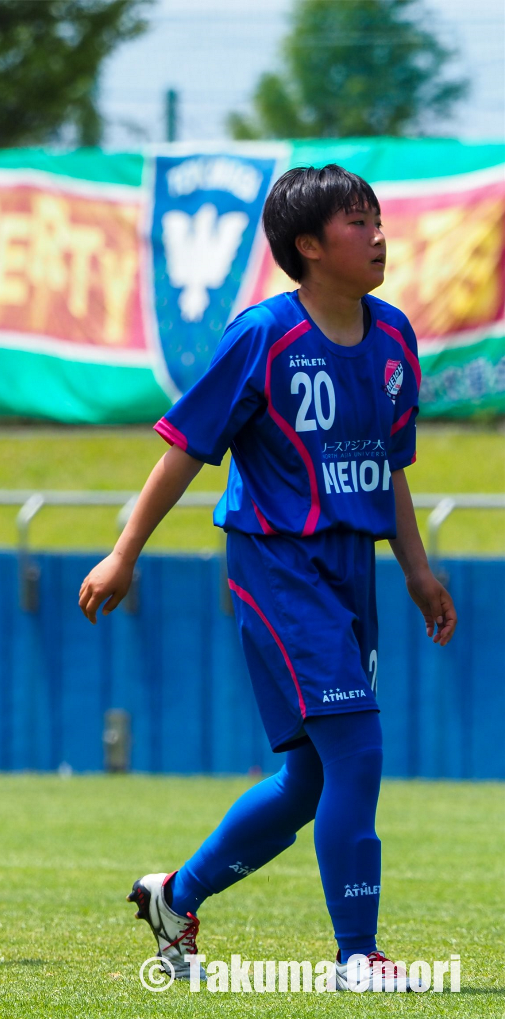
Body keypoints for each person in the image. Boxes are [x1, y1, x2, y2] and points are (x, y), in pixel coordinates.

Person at [78, 166, 455, 990]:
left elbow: (389, 464)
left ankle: (175, 895)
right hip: (278, 566)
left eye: (379, 219)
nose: (381, 234)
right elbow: (186, 446)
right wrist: (125, 548)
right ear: (309, 247)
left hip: (351, 571)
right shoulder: (264, 334)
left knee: (311, 777)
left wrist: (417, 569)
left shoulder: (394, 337)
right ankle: (359, 955)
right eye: (361, 224)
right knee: (358, 750)